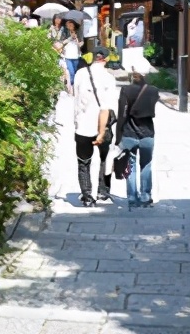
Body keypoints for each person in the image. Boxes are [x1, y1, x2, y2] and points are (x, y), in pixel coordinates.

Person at [73, 47, 118, 206]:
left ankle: (87, 196)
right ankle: (103, 191)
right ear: (105, 59)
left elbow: (76, 97)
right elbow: (107, 107)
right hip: (102, 127)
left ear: (93, 57)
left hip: (82, 125)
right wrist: (102, 130)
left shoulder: (80, 74)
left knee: (83, 161)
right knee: (105, 159)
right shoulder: (109, 78)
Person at [115, 70, 158, 208]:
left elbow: (121, 114)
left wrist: (118, 136)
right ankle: (146, 196)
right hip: (147, 133)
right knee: (146, 164)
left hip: (129, 132)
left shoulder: (126, 90)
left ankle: (132, 197)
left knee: (130, 165)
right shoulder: (153, 90)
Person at [61, 19, 83, 93]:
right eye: (68, 25)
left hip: (76, 55)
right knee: (71, 72)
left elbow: (81, 43)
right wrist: (70, 38)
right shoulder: (65, 32)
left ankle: (76, 87)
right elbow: (62, 42)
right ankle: (73, 88)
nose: (69, 26)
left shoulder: (78, 32)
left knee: (76, 72)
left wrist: (77, 39)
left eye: (70, 24)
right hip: (67, 56)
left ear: (74, 24)